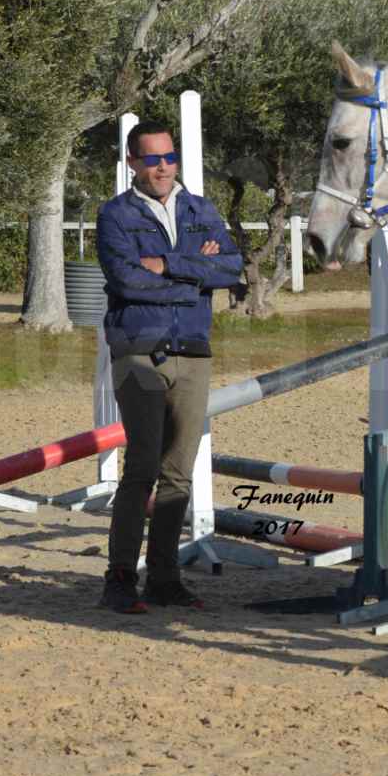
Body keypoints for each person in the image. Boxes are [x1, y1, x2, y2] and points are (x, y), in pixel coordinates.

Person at [94, 121, 243, 613]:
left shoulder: (202, 209)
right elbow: (127, 281)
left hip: (193, 350)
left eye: (169, 157)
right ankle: (119, 579)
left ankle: (164, 578)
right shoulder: (113, 215)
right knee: (140, 467)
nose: (162, 167)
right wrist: (194, 273)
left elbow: (230, 268)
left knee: (179, 472)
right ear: (132, 163)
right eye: (151, 159)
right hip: (138, 348)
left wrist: (169, 262)